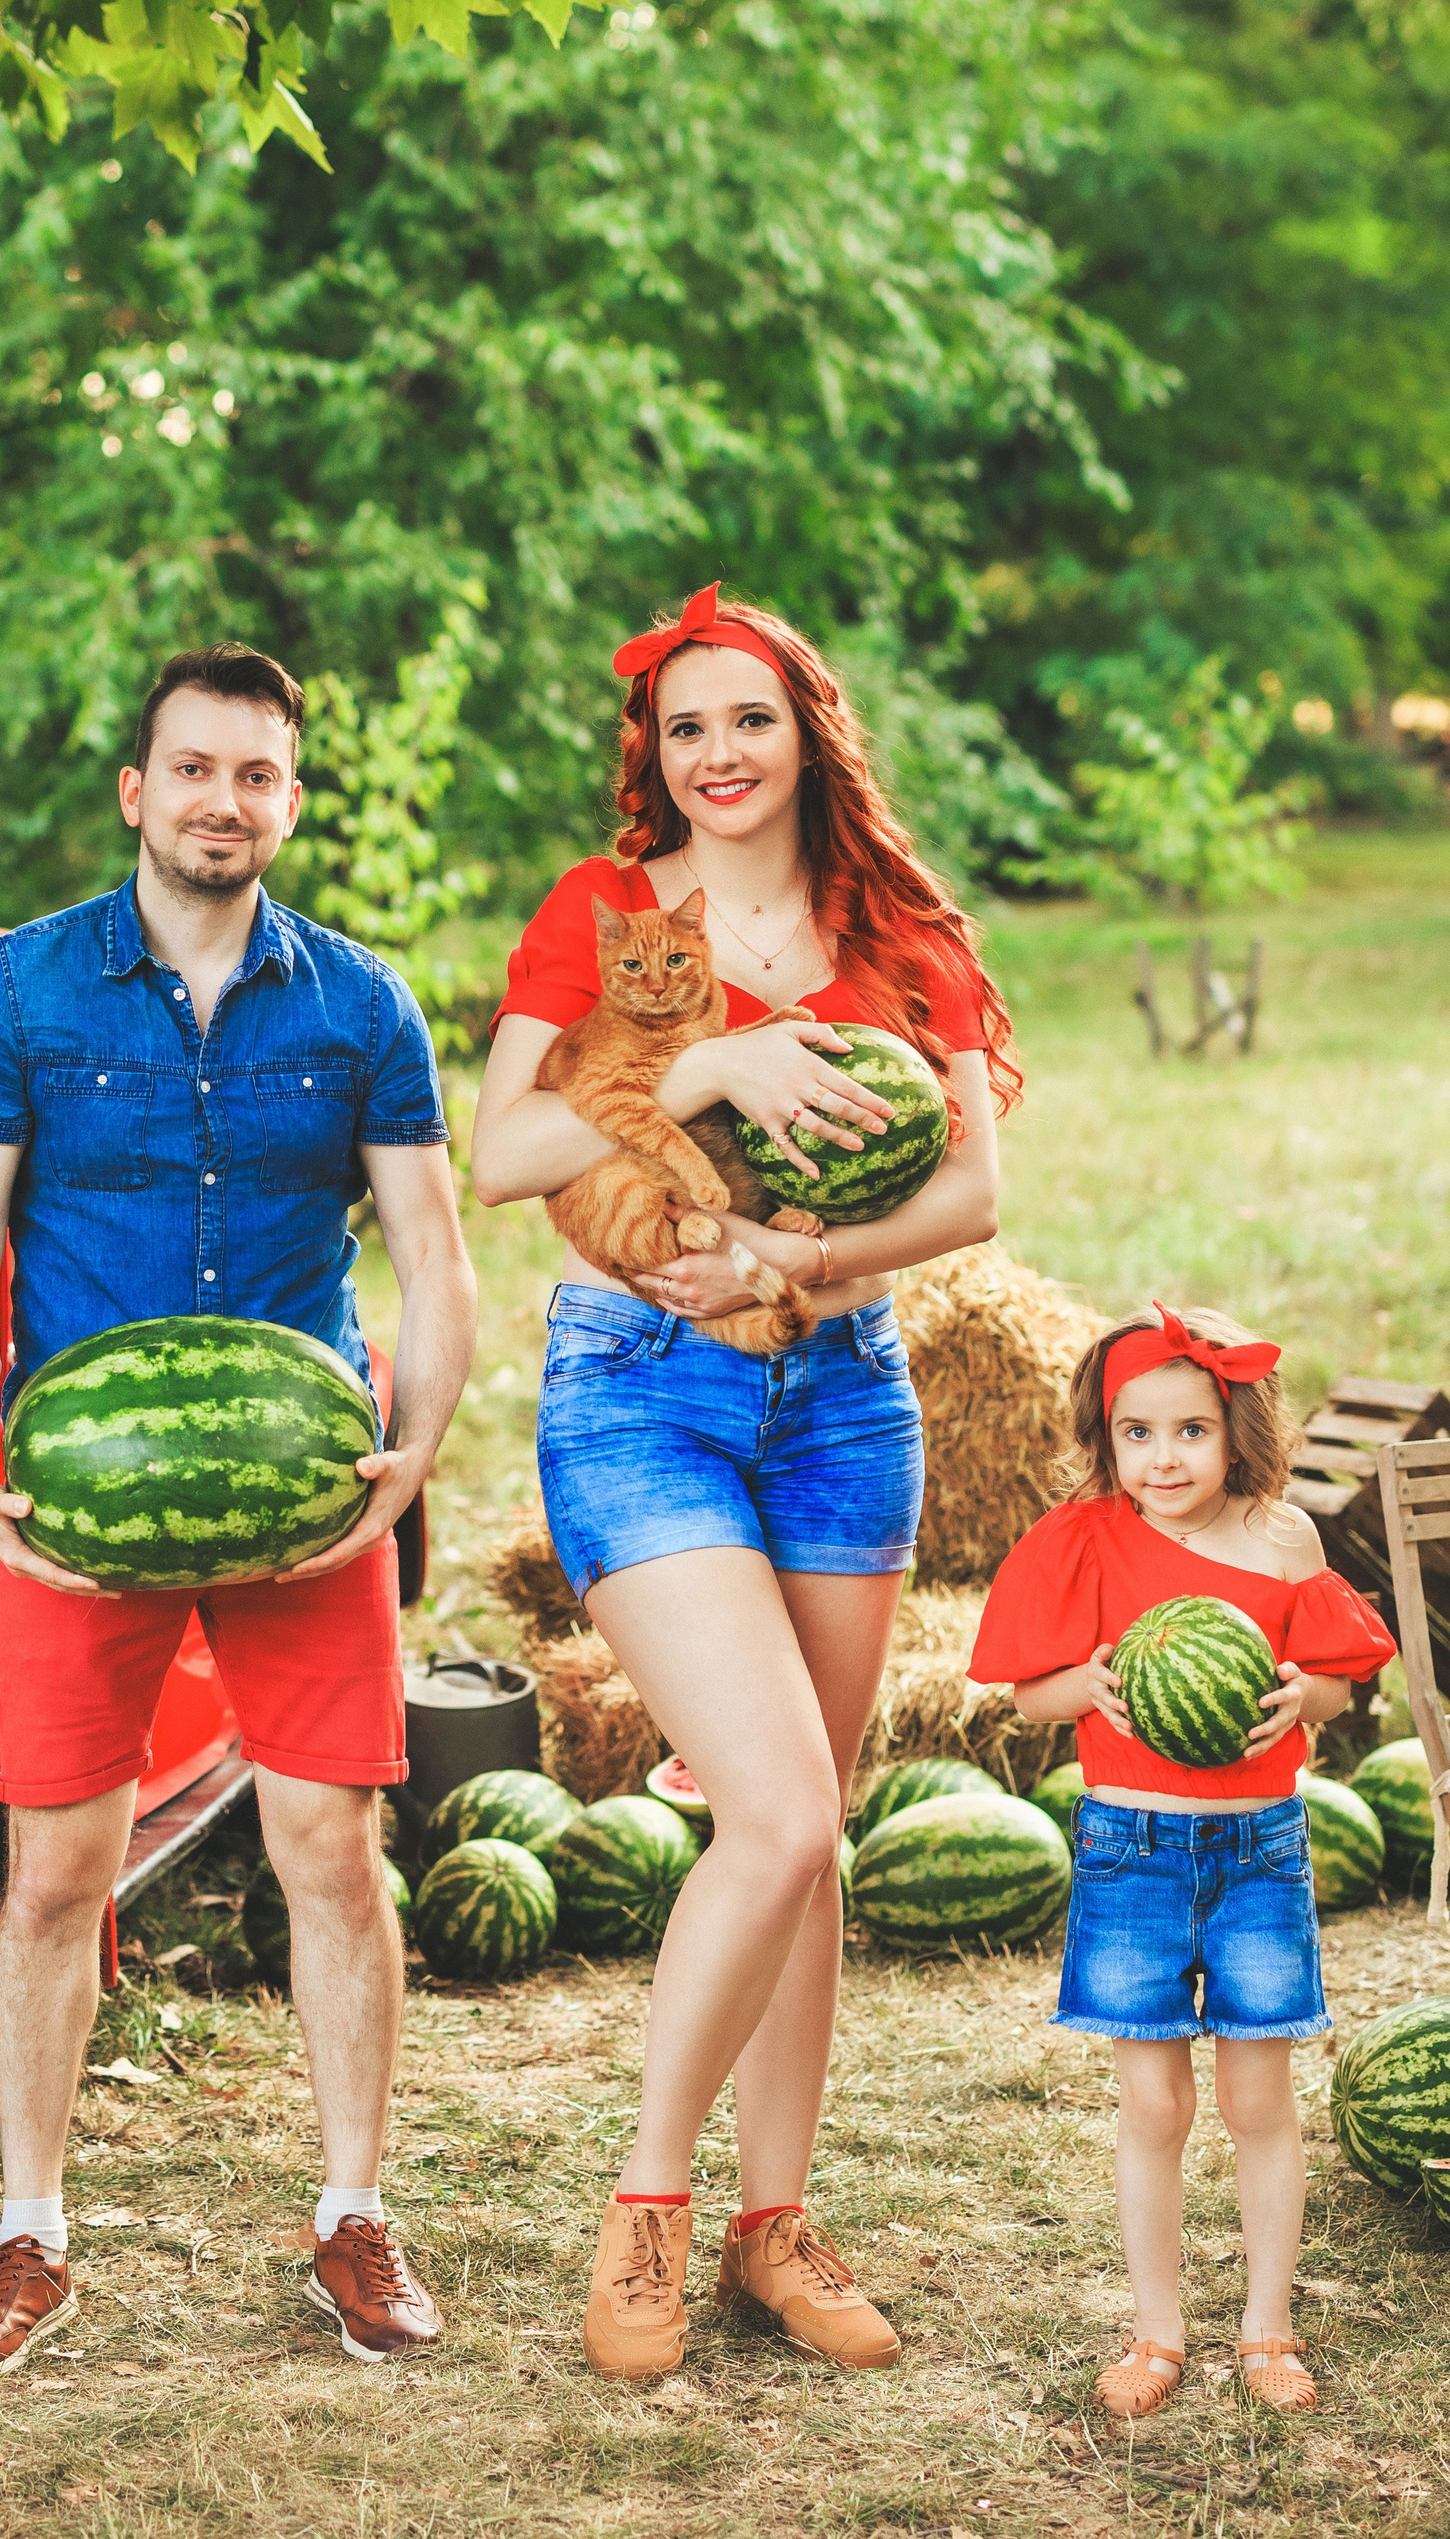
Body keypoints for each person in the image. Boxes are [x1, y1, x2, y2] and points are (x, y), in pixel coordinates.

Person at [0, 642, 479, 2376]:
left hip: (308, 1484)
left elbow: (436, 1257)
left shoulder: (361, 1005)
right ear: (136, 790)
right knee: (58, 1863)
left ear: (290, 801)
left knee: (330, 1847)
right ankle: (29, 2230)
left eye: (259, 774)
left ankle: (354, 2213)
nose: (225, 799)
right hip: (87, 1494)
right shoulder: (18, 991)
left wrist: (408, 1460)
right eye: (197, 767)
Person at [470, 584, 1015, 2378]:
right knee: (777, 1805)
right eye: (684, 725)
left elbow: (971, 1197)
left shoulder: (897, 929)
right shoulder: (606, 916)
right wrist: (704, 1058)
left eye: (748, 720)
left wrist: (800, 1268)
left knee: (805, 1842)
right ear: (659, 750)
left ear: (807, 735)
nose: (715, 753)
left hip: (845, 1392)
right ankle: (648, 2207)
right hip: (639, 1392)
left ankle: (776, 2227)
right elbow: (505, 1149)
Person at [972, 1303, 1396, 2418]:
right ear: (1105, 1438)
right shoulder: (1082, 1537)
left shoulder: (1282, 1539)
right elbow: (1027, 1698)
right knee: (1153, 2105)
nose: (1164, 1458)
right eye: (1137, 1433)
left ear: (1237, 1428)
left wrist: (1307, 1693)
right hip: (1131, 1849)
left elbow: (1342, 1677)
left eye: (1192, 1431)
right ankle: (1156, 2329)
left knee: (1260, 2099)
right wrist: (1095, 1682)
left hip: (1260, 1847)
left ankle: (1268, 2326)